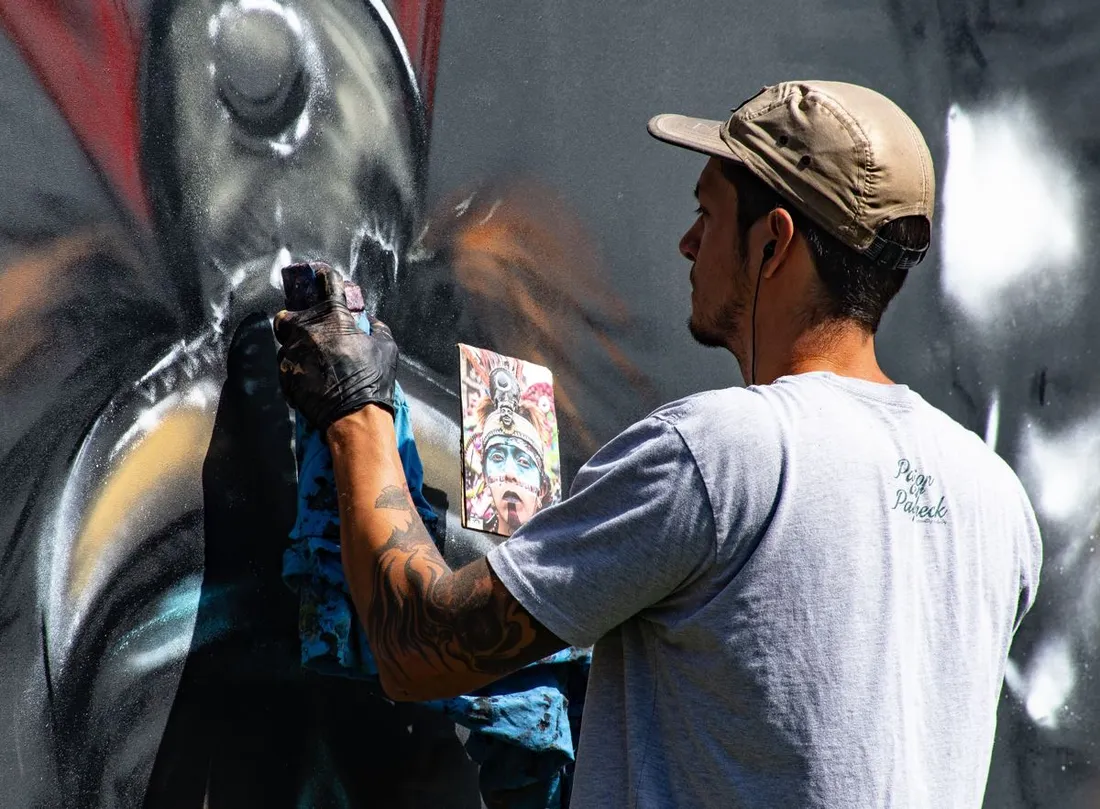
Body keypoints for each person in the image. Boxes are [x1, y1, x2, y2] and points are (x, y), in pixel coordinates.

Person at [273, 80, 1043, 808]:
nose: (686, 241)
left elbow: (422, 644)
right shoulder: (996, 501)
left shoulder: (721, 454)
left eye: (707, 214)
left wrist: (355, 405)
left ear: (774, 241)